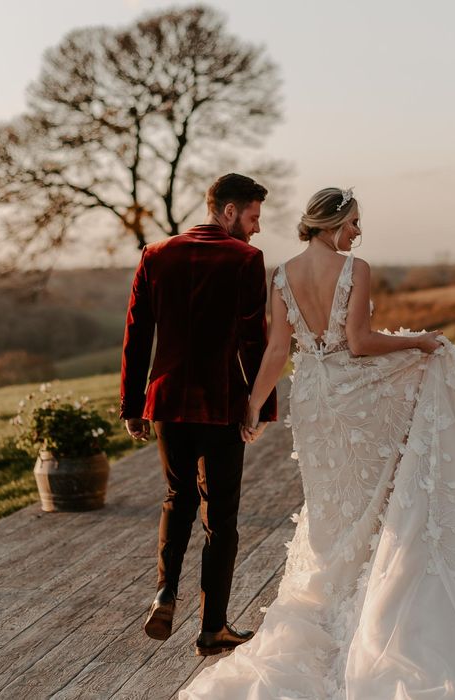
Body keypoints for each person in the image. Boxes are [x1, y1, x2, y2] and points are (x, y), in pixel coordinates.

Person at [180, 187, 455, 698]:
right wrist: (419, 342)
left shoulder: (282, 274)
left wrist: (253, 404)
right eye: (354, 222)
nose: (358, 232)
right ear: (331, 223)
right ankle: (372, 614)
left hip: (311, 400)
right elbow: (359, 344)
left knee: (330, 507)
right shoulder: (356, 270)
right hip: (354, 401)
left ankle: (337, 609)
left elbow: (275, 351)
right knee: (374, 504)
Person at [119, 173, 277, 657]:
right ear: (228, 212)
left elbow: (137, 334)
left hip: (166, 402)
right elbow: (254, 342)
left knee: (176, 497)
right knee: (221, 517)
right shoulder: (245, 260)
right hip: (220, 404)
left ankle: (166, 591)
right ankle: (213, 628)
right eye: (252, 218)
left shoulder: (155, 255)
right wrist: (260, 406)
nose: (256, 230)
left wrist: (132, 404)